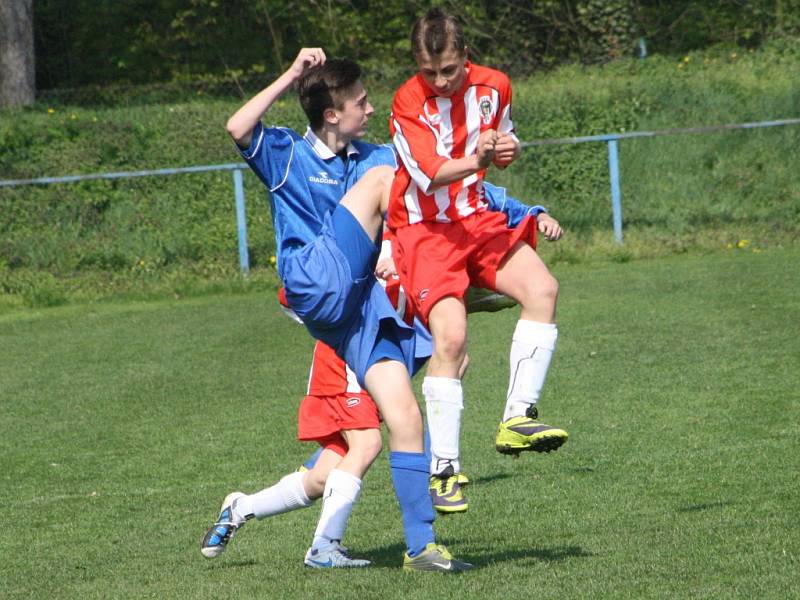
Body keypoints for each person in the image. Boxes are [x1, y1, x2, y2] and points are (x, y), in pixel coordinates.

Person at [200, 48, 471, 572]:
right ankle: (325, 547)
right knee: (382, 184)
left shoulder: (372, 157)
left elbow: (434, 179)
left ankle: (422, 546)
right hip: (313, 281)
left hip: (356, 307)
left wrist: (505, 199)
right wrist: (293, 75)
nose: (370, 110)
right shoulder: (287, 154)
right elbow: (237, 125)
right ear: (331, 113)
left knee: (405, 415)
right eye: (361, 102)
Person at [387, 8, 569, 514]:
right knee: (451, 338)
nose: (440, 81)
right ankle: (443, 469)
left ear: (465, 57)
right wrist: (481, 158)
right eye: (429, 72)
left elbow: (505, 142)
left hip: (475, 218)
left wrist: (503, 150)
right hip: (424, 231)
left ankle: (517, 418)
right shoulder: (406, 101)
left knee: (543, 290)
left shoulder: (496, 86)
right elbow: (429, 174)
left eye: (448, 69)